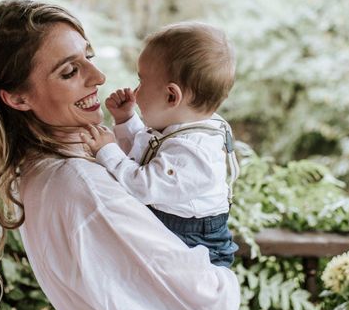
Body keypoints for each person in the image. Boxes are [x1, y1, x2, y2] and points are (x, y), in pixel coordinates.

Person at [0, 0, 240, 310]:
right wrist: (227, 280)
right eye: (70, 71)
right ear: (19, 98)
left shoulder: (41, 172)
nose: (99, 76)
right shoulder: (84, 186)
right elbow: (213, 305)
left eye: (88, 57)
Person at [81, 22, 240, 268]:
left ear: (171, 96)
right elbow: (145, 153)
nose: (136, 89)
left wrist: (107, 151)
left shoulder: (194, 152)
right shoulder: (180, 126)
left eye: (141, 80)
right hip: (175, 226)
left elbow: (142, 184)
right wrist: (126, 120)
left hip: (195, 241)